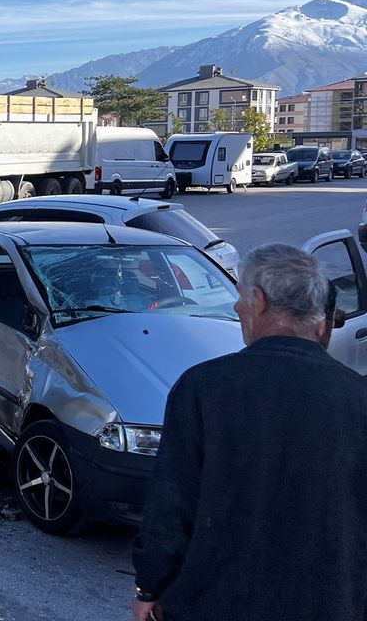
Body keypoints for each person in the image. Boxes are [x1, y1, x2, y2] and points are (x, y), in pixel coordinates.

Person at [131, 243, 367, 621]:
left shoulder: (203, 388)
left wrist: (149, 586)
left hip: (214, 604)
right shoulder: (358, 398)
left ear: (257, 300)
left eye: (241, 297)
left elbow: (171, 507)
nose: (237, 308)